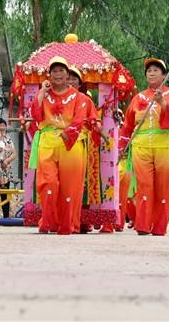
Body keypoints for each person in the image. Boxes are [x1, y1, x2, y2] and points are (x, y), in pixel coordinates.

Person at [118, 58, 169, 236]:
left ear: (163, 75)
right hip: (142, 145)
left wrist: (163, 103)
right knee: (144, 185)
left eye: (156, 70)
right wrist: (122, 146)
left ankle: (159, 227)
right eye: (149, 70)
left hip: (165, 145)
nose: (152, 73)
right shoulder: (139, 97)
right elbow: (127, 124)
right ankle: (143, 225)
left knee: (163, 186)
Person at [28, 56, 85, 235]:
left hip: (70, 142)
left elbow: (80, 118)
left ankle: (68, 225)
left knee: (70, 188)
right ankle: (48, 222)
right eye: (54, 71)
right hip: (47, 142)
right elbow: (35, 116)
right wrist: (41, 94)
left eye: (61, 71)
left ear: (67, 75)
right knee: (48, 184)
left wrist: (68, 133)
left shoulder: (78, 97)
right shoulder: (44, 95)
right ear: (49, 75)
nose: (58, 74)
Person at [66, 66, 103, 233]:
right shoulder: (55, 97)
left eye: (74, 79)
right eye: (69, 78)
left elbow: (95, 119)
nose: (71, 81)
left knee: (82, 183)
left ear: (80, 83)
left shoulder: (85, 100)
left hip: (81, 143)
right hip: (59, 142)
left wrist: (97, 125)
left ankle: (80, 221)